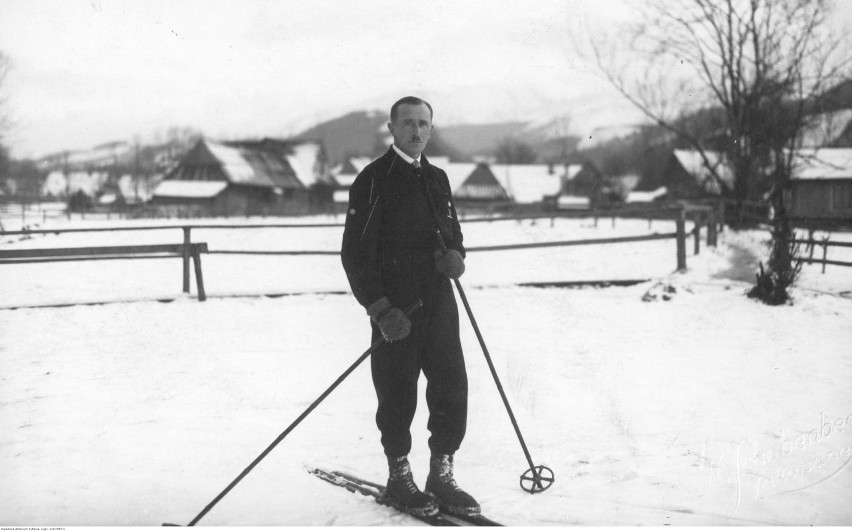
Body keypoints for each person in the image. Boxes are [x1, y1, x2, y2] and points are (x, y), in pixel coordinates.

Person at [341, 96, 479, 517]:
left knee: (451, 386)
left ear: (431, 129)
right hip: (398, 309)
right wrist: (381, 309)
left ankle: (442, 472)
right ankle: (399, 475)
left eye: (423, 124)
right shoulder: (373, 180)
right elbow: (355, 254)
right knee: (397, 392)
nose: (416, 131)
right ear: (392, 127)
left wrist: (455, 255)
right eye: (408, 123)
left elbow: (452, 233)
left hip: (439, 301)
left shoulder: (437, 178)